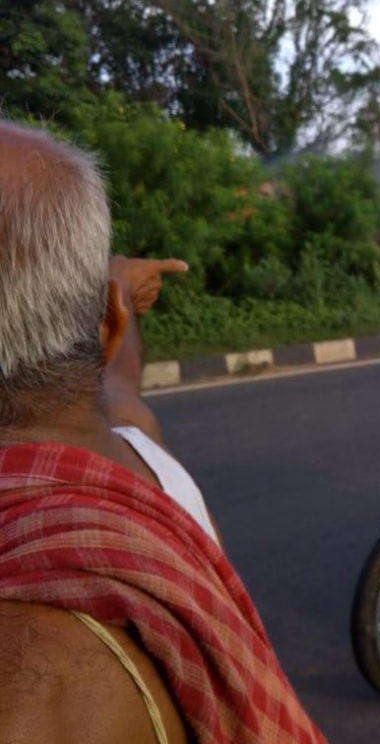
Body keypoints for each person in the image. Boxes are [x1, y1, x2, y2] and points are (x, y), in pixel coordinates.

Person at [0, 120, 327, 744]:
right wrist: (117, 291)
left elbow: (117, 382)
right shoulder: (149, 464)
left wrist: (117, 290)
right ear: (110, 325)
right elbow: (120, 384)